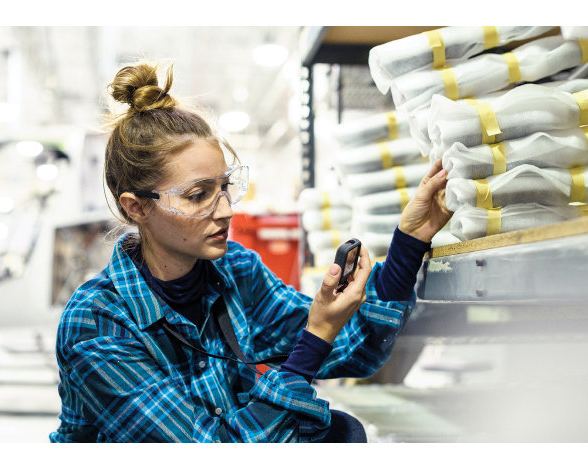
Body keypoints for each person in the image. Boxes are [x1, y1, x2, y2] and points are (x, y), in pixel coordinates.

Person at [49, 60, 452, 443]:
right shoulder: (97, 323)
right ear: (136, 207)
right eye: (197, 195)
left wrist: (410, 240)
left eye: (223, 187)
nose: (225, 210)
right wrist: (315, 336)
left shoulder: (235, 272)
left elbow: (355, 347)